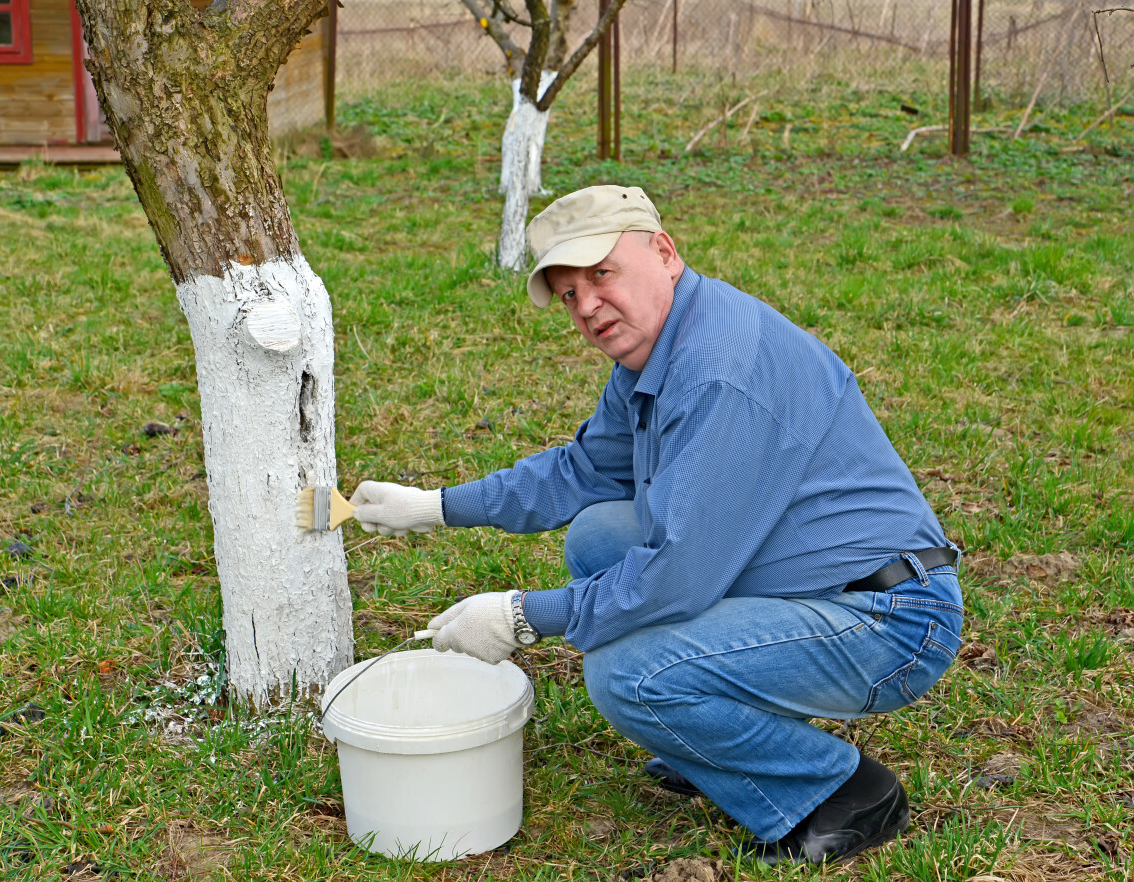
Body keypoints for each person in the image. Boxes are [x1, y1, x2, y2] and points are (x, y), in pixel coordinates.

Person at [348, 184, 964, 866]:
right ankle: (719, 731)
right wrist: (434, 506)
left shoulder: (718, 371)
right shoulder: (661, 347)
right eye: (568, 293)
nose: (586, 306)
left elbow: (675, 578)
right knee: (598, 537)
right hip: (809, 584)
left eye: (601, 275)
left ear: (664, 253)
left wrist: (519, 618)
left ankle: (842, 790)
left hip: (889, 620)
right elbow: (582, 472)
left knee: (627, 677)